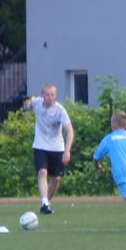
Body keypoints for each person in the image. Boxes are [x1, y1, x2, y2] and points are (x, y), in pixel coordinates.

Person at [28, 83, 75, 215]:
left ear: (56, 96)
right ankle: (44, 202)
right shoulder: (37, 102)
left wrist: (67, 151)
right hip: (40, 145)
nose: (50, 97)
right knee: (42, 172)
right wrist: (27, 105)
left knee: (56, 179)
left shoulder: (60, 110)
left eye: (53, 95)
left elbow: (70, 131)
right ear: (42, 95)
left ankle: (46, 203)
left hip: (56, 147)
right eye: (47, 95)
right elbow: (29, 103)